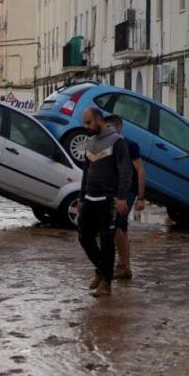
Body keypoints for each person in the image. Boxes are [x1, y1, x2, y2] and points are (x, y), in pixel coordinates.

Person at [77, 107, 132, 297]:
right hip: (90, 199)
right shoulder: (90, 142)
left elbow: (126, 171)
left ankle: (106, 284)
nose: (86, 127)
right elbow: (86, 172)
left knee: (107, 241)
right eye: (84, 123)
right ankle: (102, 270)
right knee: (84, 237)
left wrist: (122, 197)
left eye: (88, 122)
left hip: (109, 200)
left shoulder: (117, 141)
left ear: (99, 120)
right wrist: (81, 198)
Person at [105, 115, 146, 280]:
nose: (107, 130)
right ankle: (125, 266)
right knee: (122, 229)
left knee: (116, 227)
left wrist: (141, 197)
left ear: (119, 127)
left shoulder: (130, 145)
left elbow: (141, 171)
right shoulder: (108, 145)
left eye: (110, 127)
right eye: (105, 127)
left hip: (127, 192)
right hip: (115, 192)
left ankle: (123, 266)